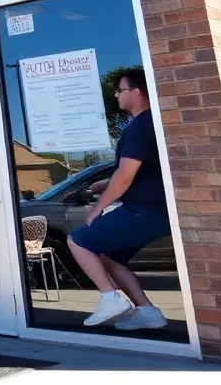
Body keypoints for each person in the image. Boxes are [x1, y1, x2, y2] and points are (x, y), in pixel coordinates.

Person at [68, 69, 171, 330]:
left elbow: (126, 174)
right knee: (110, 258)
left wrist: (96, 210)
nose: (116, 95)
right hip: (154, 210)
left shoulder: (140, 125)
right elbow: (138, 170)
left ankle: (109, 298)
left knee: (78, 240)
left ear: (136, 93)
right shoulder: (148, 124)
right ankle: (147, 312)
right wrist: (104, 184)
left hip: (145, 210)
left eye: (120, 90)